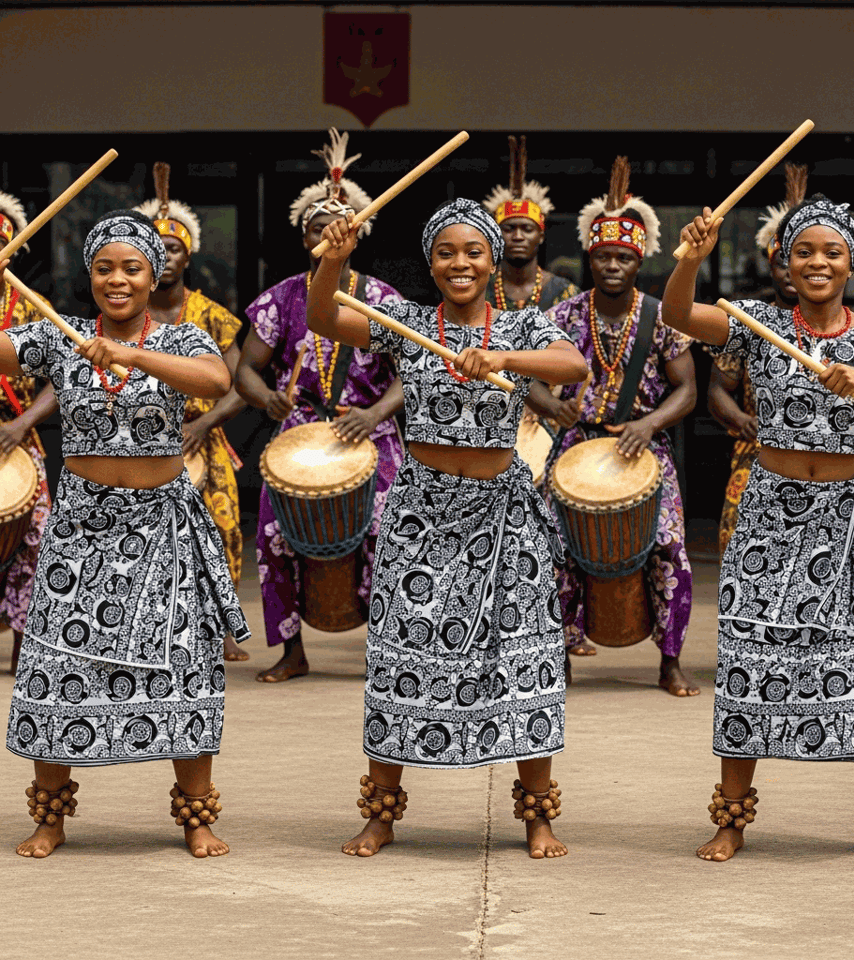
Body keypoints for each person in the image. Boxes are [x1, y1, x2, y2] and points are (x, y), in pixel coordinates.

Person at [663, 195, 854, 864]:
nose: (817, 262)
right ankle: (732, 819)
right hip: (772, 520)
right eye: (804, 251)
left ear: (851, 263)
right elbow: (677, 316)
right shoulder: (756, 323)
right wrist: (691, 260)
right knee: (751, 664)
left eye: (832, 252)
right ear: (785, 263)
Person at [307, 198, 588, 859]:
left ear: (493, 260)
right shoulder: (404, 322)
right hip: (422, 516)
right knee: (402, 659)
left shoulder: (522, 324)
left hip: (504, 513)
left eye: (473, 252)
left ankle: (537, 818)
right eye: (446, 253)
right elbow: (324, 317)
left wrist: (504, 360)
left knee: (523, 660)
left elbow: (573, 366)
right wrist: (335, 261)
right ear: (431, 264)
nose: (460, 263)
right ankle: (381, 814)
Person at [1, 210, 249, 859]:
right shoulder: (58, 335)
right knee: (56, 667)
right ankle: (51, 818)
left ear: (153, 273)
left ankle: (195, 818)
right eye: (104, 268)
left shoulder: (181, 336)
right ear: (89, 276)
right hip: (80, 533)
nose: (117, 279)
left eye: (131, 268)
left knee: (184, 667)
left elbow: (217, 381)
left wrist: (131, 354)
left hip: (162, 529)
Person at [526, 157, 699, 695]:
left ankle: (669, 661)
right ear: (590, 256)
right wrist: (551, 407)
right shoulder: (562, 317)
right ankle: (558, 658)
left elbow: (687, 390)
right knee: (553, 550)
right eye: (603, 256)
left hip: (644, 449)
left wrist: (650, 424)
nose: (613, 265)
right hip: (575, 449)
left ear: (639, 259)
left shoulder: (664, 316)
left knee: (669, 548)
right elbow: (525, 380)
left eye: (624, 256)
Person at [237, 129, 404, 683]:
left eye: (339, 227)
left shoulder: (382, 300)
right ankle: (292, 651)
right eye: (317, 227)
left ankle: (388, 651)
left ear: (357, 234)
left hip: (370, 430)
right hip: (300, 431)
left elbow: (415, 374)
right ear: (303, 236)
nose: (328, 235)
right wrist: (268, 399)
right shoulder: (281, 298)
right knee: (272, 535)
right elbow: (245, 370)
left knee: (391, 535)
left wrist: (375, 414)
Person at [134, 163, 248, 662]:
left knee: (222, 523)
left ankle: (223, 628)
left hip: (201, 435)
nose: (165, 257)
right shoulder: (124, 315)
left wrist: (203, 424)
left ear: (189, 254)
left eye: (174, 248)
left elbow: (241, 387)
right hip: (139, 440)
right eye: (155, 248)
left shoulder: (213, 316)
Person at [708, 165, 806, 556]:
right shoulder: (749, 322)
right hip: (758, 454)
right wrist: (741, 419)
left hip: (824, 460)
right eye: (783, 261)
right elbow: (718, 389)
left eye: (802, 258)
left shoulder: (849, 328)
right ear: (769, 265)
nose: (792, 271)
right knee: (742, 550)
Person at [0, 190, 57, 675]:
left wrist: (22, 423)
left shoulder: (34, 308)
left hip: (18, 439)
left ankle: (25, 644)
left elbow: (62, 377)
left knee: (37, 539)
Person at [483, 136, 579, 311]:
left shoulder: (566, 293)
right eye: (509, 228)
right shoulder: (479, 290)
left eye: (527, 229)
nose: (518, 236)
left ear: (541, 235)